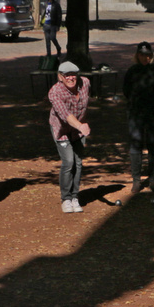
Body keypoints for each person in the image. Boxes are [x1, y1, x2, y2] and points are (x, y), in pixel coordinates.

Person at [122, 40, 154, 202]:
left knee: (153, 144)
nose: (145, 58)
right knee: (136, 145)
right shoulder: (132, 71)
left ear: (151, 56)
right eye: (142, 55)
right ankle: (137, 180)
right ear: (137, 55)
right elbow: (126, 90)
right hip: (135, 112)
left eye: (148, 55)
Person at [49, 60, 92, 212]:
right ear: (60, 77)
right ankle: (65, 198)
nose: (71, 78)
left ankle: (75, 197)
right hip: (62, 129)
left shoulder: (85, 83)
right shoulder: (55, 92)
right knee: (68, 162)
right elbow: (64, 114)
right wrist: (81, 125)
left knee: (78, 162)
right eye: (66, 75)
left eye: (73, 74)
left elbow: (85, 105)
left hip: (79, 129)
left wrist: (83, 123)